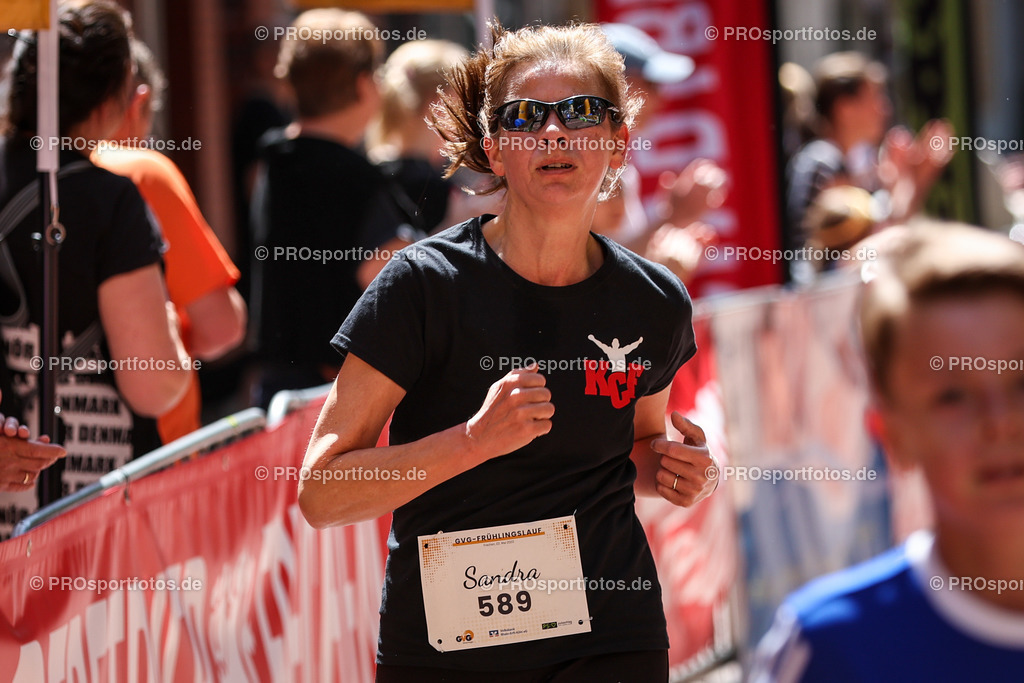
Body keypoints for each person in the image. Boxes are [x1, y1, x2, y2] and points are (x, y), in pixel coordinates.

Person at [299, 22, 718, 681]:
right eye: (525, 116)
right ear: (494, 151)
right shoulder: (422, 286)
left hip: (610, 635)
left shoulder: (654, 299)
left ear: (617, 142)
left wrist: (681, 471)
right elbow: (322, 491)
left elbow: (638, 449)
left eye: (580, 112)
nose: (553, 133)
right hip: (449, 649)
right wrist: (472, 441)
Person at [751, 223, 1024, 680]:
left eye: (1022, 382)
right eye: (952, 396)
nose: (1001, 423)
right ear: (890, 431)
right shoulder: (829, 644)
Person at [0, 0, 190, 537]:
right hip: (90, 508)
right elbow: (153, 383)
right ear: (111, 99)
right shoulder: (110, 201)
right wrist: (171, 331)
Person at [249, 9, 420, 409]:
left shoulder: (271, 162)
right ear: (363, 85)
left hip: (275, 385)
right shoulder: (358, 178)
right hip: (336, 394)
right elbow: (389, 274)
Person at [95, 38, 247, 443]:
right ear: (139, 102)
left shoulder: (23, 173)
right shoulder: (142, 173)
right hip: (148, 445)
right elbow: (221, 327)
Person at [785, 52, 953, 281]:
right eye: (875, 98)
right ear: (845, 108)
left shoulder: (851, 161)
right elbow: (870, 241)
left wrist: (913, 178)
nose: (885, 109)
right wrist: (908, 179)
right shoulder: (823, 161)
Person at [595, 23, 724, 285]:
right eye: (651, 84)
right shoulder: (588, 165)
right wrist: (670, 219)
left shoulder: (617, 162)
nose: (661, 98)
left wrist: (672, 221)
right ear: (616, 84)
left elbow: (616, 257)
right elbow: (596, 275)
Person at [369, 39, 472, 234]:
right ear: (440, 107)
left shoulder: (371, 172)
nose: (470, 117)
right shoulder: (436, 190)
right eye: (465, 103)